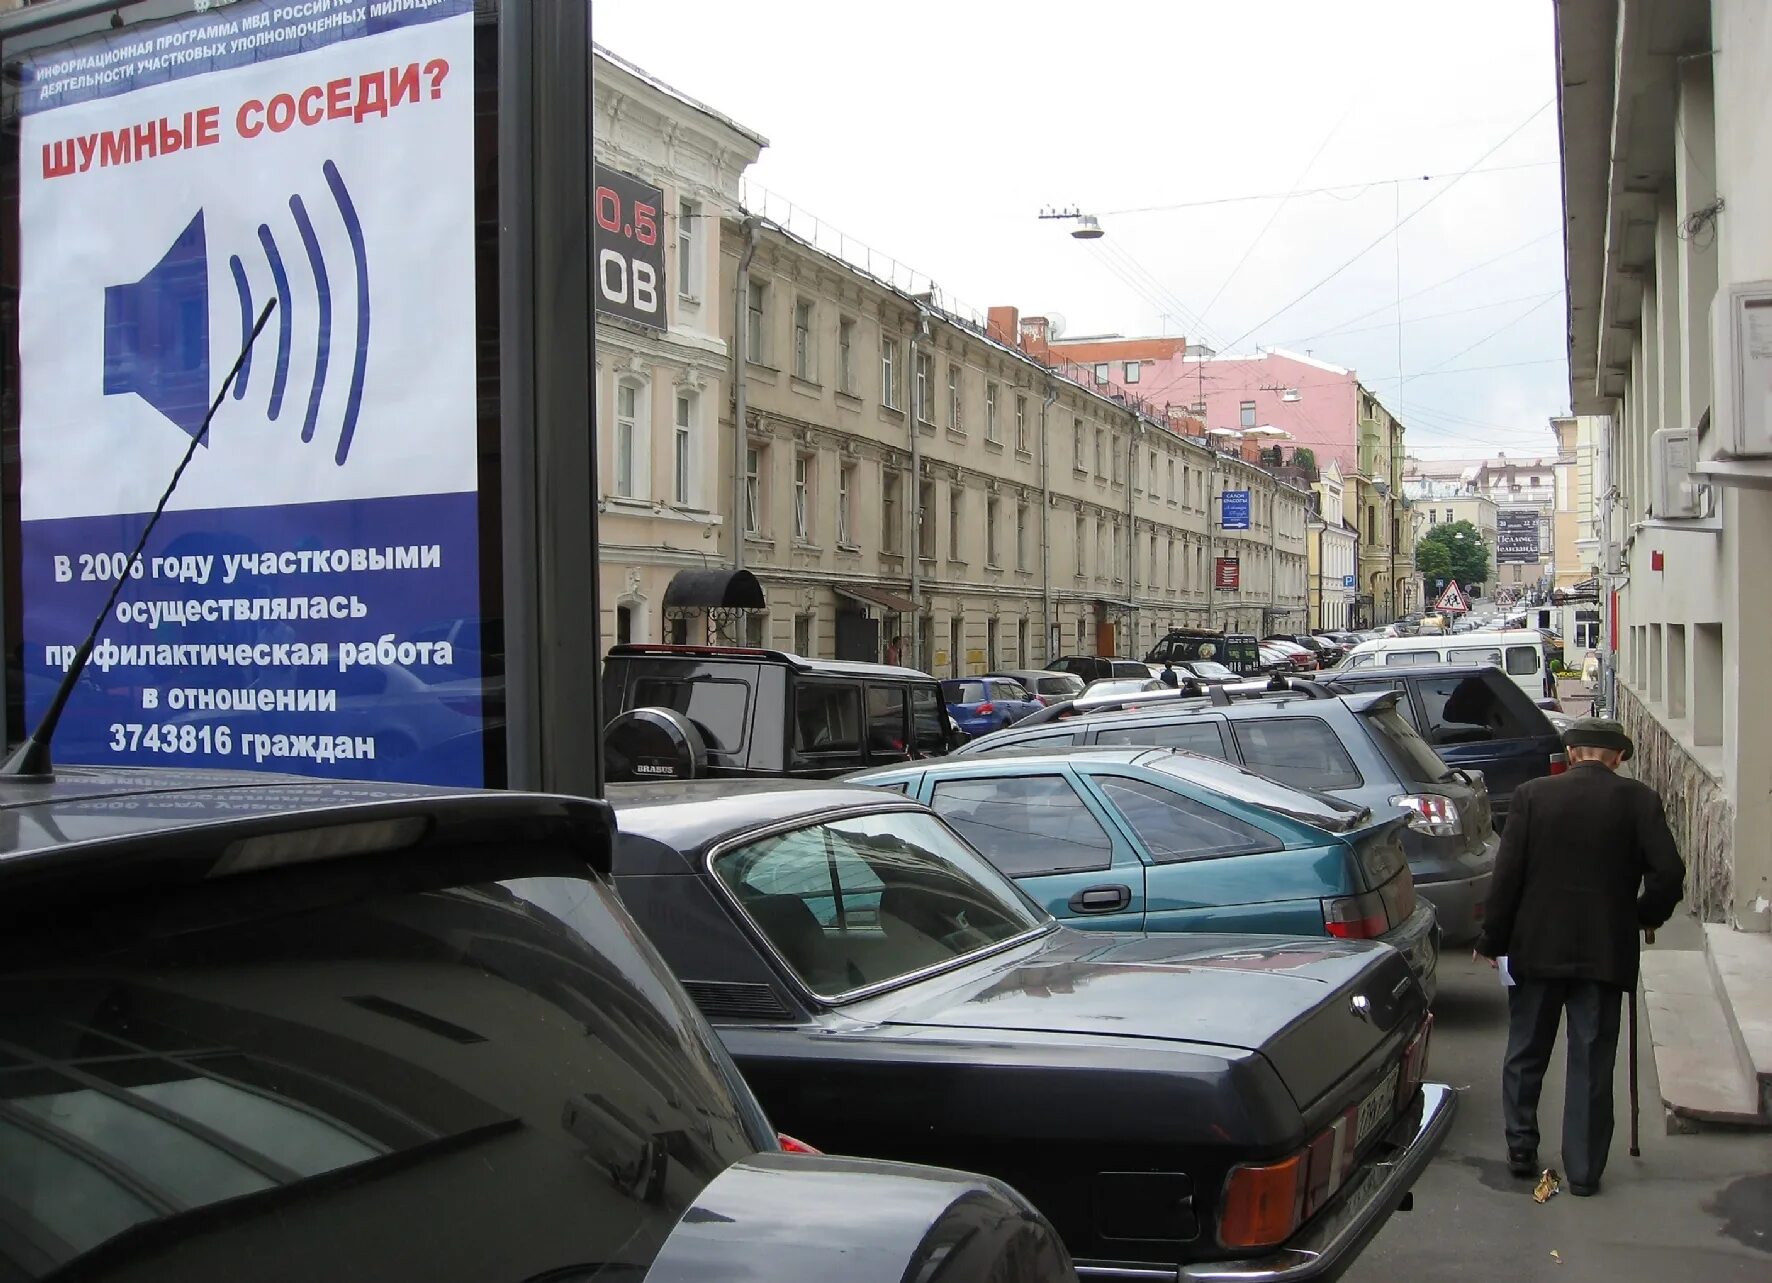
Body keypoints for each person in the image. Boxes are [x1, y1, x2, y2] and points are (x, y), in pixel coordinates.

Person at [1473, 718, 1685, 1198]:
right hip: (1605, 948)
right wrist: (1643, 915)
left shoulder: (1532, 796)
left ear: (1570, 755)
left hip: (1536, 944)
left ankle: (1522, 1148)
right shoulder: (1638, 801)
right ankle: (1585, 1171)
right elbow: (1669, 872)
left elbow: (1507, 876)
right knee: (1592, 1056)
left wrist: (1493, 938)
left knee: (1526, 1049)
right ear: (1618, 758)